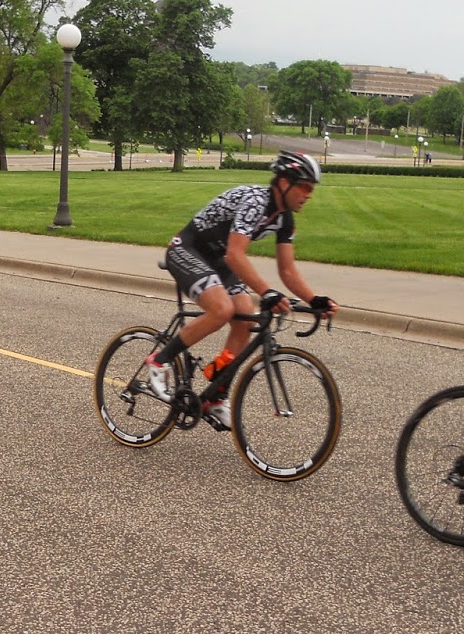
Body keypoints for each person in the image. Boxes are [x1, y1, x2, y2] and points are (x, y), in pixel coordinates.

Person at [144, 150, 338, 430]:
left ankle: (215, 396)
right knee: (222, 309)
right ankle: (159, 361)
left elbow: (287, 271)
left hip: (218, 259)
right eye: (305, 187)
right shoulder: (256, 201)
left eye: (312, 189)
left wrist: (315, 300)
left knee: (245, 315)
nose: (309, 194)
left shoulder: (285, 219)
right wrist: (268, 292)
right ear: (284, 183)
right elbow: (236, 255)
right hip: (188, 249)